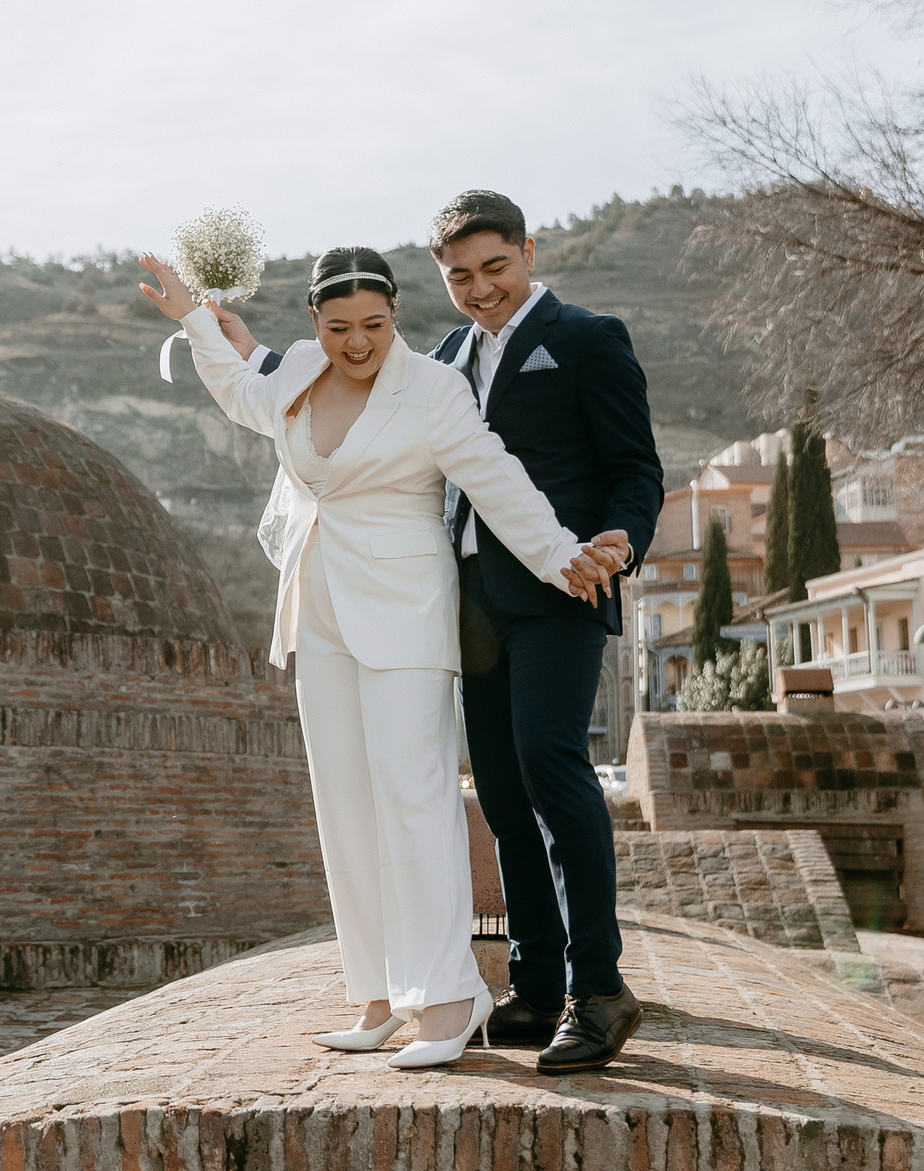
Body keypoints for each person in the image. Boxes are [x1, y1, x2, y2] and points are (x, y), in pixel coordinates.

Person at [139, 244, 630, 1069]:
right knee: (344, 803)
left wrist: (559, 555)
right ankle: (373, 993)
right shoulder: (297, 370)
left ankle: (447, 997)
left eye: (373, 323)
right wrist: (196, 319)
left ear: (395, 314)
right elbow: (242, 395)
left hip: (405, 617)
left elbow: (494, 476)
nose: (357, 342)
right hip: (320, 610)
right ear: (314, 323)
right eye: (339, 327)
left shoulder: (434, 388)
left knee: (415, 799)